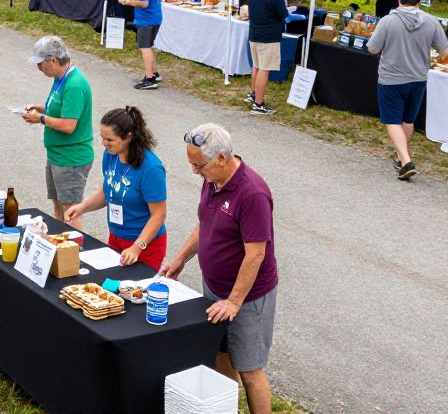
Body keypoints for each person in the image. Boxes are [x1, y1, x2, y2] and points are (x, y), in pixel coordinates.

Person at [160, 123, 279, 414]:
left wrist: (234, 302)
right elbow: (205, 223)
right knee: (221, 354)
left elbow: (255, 254)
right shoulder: (212, 179)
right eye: (192, 164)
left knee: (250, 370)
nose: (194, 171)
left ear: (222, 159)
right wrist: (181, 258)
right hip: (215, 289)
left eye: (198, 165)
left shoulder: (252, 194)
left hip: (247, 298)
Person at [65, 106, 167, 269]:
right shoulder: (111, 155)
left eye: (110, 140)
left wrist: (137, 247)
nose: (104, 144)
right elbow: (107, 191)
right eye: (102, 138)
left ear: (128, 137)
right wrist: (82, 207)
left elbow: (158, 215)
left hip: (145, 246)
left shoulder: (151, 169)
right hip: (116, 237)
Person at [367, 0, 448, 180]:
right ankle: (400, 159)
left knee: (392, 120)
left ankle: (406, 160)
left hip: (392, 78)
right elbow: (444, 51)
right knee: (407, 120)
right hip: (418, 78)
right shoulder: (431, 21)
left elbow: (373, 48)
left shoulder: (388, 21)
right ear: (419, 2)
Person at [21, 36, 94, 224]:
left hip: (71, 159)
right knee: (58, 206)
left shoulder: (74, 84)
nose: (38, 68)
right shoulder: (60, 78)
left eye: (40, 64)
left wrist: (41, 118)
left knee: (71, 213)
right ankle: (60, 240)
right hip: (57, 155)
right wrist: (39, 109)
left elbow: (69, 125)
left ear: (52, 60)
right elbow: (60, 110)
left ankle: (76, 243)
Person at [245, 0, 287, 116]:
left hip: (254, 33)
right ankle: (259, 104)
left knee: (256, 66)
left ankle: (254, 94)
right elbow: (283, 13)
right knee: (264, 68)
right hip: (269, 36)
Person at [119, 0, 163, 90]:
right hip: (156, 17)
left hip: (146, 19)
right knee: (149, 46)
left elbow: (144, 3)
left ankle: (150, 79)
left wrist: (128, 2)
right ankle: (154, 73)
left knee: (145, 48)